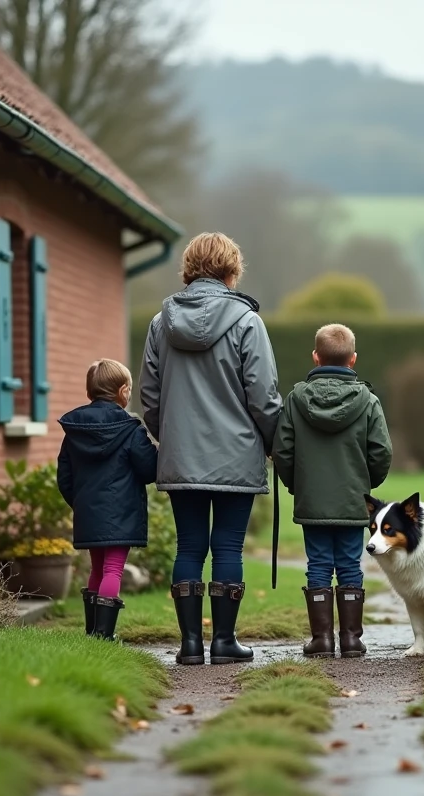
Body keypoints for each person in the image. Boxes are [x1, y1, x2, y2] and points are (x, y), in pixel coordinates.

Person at [139, 232, 281, 666]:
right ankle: (223, 642)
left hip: (182, 457)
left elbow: (150, 397)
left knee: (188, 548)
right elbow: (264, 395)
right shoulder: (247, 322)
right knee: (228, 548)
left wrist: (172, 438)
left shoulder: (160, 324)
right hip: (236, 457)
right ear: (230, 270)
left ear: (189, 268)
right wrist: (274, 442)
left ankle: (189, 646)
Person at [272, 323, 392, 658]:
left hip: (313, 500)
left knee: (319, 564)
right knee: (351, 565)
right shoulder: (368, 400)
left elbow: (282, 451)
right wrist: (365, 486)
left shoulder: (296, 399)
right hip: (354, 501)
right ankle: (352, 640)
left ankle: (322, 641)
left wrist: (299, 485)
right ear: (352, 359)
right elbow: (382, 452)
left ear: (315, 357)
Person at [57, 358, 158, 641]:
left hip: (89, 512)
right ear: (123, 391)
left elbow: (64, 476)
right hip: (122, 513)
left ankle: (93, 632)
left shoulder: (74, 431)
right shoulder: (130, 430)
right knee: (113, 569)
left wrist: (81, 503)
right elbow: (149, 469)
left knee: (98, 569)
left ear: (90, 391)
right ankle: (104, 634)